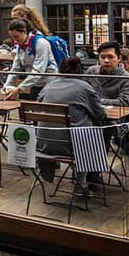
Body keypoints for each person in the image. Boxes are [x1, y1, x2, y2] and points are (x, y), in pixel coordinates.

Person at [36, 56, 106, 184]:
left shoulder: (48, 86)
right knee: (99, 131)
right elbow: (100, 115)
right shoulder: (85, 87)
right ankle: (86, 180)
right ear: (80, 70)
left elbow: (37, 107)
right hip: (74, 147)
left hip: (44, 145)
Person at [3, 19, 57, 99]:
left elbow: (38, 71)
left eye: (16, 36)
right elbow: (15, 68)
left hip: (49, 84)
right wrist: (7, 85)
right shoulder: (20, 46)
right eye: (12, 37)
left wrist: (19, 89)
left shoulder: (41, 43)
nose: (14, 40)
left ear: (24, 32)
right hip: (35, 84)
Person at [86, 41, 129, 109]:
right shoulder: (92, 71)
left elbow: (124, 102)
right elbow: (83, 94)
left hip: (115, 116)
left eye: (110, 57)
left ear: (119, 58)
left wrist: (97, 101)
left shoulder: (127, 78)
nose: (106, 60)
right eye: (103, 57)